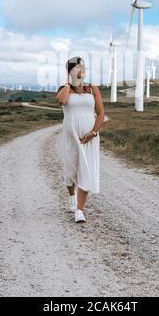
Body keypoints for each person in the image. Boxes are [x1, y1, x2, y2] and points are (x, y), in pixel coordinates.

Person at [55, 56, 105, 223]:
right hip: (70, 137)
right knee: (70, 172)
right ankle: (72, 198)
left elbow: (101, 113)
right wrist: (69, 83)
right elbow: (62, 100)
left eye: (83, 68)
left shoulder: (92, 89)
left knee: (86, 170)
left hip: (89, 138)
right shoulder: (64, 88)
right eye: (78, 69)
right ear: (70, 71)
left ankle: (79, 210)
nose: (82, 72)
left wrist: (94, 132)